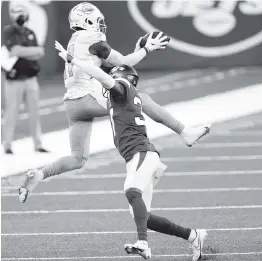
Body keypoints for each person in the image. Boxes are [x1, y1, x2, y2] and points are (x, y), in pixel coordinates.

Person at [18, 2, 210, 203]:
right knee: (140, 99)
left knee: (77, 158)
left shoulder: (76, 40)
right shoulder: (93, 38)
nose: (101, 24)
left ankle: (39, 174)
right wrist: (147, 49)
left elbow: (114, 67)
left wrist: (139, 49)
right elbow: (124, 64)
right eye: (98, 20)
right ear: (88, 20)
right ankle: (184, 132)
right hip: (89, 96)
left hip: (72, 105)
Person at [55, 47, 208, 261]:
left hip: (141, 153)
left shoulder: (123, 89)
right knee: (142, 215)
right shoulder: (129, 97)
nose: (108, 81)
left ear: (121, 78)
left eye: (112, 77)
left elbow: (101, 77)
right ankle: (193, 236)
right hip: (139, 157)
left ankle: (143, 244)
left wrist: (73, 60)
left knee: (131, 189)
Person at [2, 2, 48, 154]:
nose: (20, 17)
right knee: (11, 113)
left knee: (35, 113)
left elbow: (40, 52)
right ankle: (7, 145)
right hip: (14, 80)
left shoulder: (30, 33)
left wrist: (24, 51)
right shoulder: (9, 31)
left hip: (30, 78)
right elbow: (14, 50)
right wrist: (30, 51)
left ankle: (38, 144)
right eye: (17, 14)